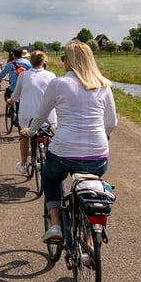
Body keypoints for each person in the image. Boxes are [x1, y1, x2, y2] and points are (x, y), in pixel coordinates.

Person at [24, 42, 117, 242]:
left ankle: (56, 224)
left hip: (64, 151)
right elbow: (111, 123)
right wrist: (102, 136)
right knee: (90, 187)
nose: (63, 61)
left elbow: (41, 115)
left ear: (70, 60)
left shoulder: (58, 84)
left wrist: (30, 132)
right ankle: (89, 238)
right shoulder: (103, 85)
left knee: (51, 178)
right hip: (98, 155)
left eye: (64, 58)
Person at [11, 50, 57, 176]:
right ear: (44, 61)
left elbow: (16, 94)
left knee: (25, 136)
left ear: (30, 61)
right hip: (47, 116)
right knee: (50, 136)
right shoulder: (51, 75)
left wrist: (11, 100)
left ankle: (23, 164)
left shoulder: (23, 75)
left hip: (27, 116)